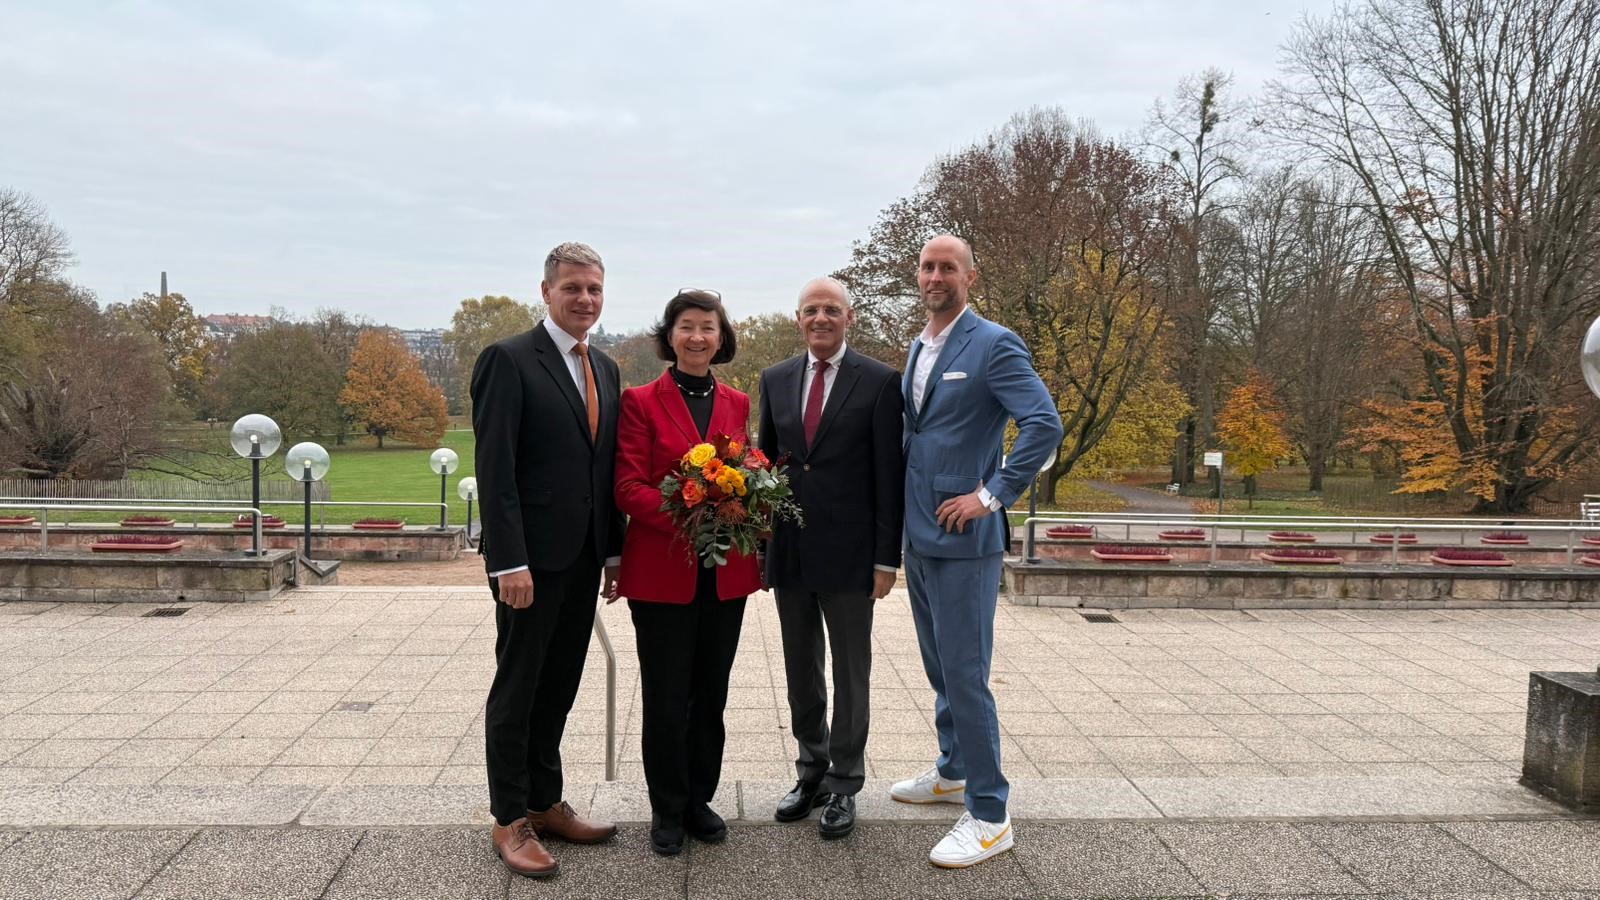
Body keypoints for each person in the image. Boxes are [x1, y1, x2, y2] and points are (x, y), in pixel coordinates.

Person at [891, 235, 1063, 868]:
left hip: (966, 538)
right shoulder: (920, 345)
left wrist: (990, 495)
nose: (936, 275)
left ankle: (990, 814)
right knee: (941, 668)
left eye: (948, 267)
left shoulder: (993, 343)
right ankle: (955, 771)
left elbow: (1044, 423)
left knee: (967, 675)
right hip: (918, 533)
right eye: (928, 266)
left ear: (970, 276)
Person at [470, 241, 624, 879]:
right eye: (572, 289)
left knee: (559, 685)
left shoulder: (606, 368)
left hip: (583, 557)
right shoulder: (508, 360)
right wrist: (509, 562)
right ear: (546, 292)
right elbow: (495, 468)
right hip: (527, 564)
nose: (584, 299)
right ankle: (510, 818)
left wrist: (612, 552)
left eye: (593, 289)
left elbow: (604, 469)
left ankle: (544, 798)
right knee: (520, 686)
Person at [614, 289, 762, 856]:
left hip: (725, 576)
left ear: (721, 338)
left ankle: (700, 798)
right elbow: (627, 486)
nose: (698, 337)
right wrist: (691, 511)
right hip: (662, 573)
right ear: (669, 336)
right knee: (667, 697)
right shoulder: (641, 402)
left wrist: (745, 497)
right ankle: (667, 807)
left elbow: (748, 471)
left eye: (708, 327)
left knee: (712, 694)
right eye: (686, 327)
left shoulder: (737, 402)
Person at [757, 277, 904, 839]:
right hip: (791, 550)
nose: (821, 318)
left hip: (851, 554)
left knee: (851, 670)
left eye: (831, 310)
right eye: (811, 310)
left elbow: (888, 476)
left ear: (850, 317)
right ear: (798, 319)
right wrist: (766, 549)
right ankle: (811, 770)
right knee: (800, 669)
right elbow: (767, 469)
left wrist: (885, 559)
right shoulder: (776, 380)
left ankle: (845, 781)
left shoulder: (880, 381)